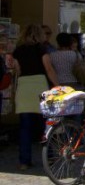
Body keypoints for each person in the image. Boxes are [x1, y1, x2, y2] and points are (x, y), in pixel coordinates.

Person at [10, 24, 59, 170]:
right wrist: (57, 85)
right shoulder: (41, 49)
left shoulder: (18, 51)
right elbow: (48, 69)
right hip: (39, 85)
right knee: (47, 125)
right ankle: (50, 157)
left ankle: (24, 161)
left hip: (24, 86)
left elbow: (17, 71)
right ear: (39, 35)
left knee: (25, 127)